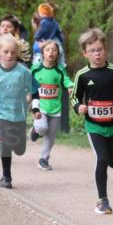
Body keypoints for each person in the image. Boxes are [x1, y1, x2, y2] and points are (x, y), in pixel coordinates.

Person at [72, 28, 113, 214]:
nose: (97, 54)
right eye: (92, 51)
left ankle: (103, 195)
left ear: (105, 49)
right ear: (85, 53)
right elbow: (75, 97)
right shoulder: (82, 75)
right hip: (94, 125)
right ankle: (102, 200)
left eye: (99, 49)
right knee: (102, 159)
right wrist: (78, 107)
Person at [0, 35, 33, 189]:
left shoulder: (23, 72)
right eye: (6, 52)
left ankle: (4, 141)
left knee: (20, 150)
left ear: (17, 53)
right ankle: (6, 176)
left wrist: (30, 96)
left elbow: (32, 89)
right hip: (1, 113)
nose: (9, 55)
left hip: (19, 114)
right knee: (6, 142)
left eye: (13, 52)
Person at [30, 39, 73, 170]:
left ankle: (43, 159)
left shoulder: (60, 70)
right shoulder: (35, 69)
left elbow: (66, 80)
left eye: (54, 50)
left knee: (51, 136)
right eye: (48, 50)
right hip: (40, 106)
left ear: (58, 54)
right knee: (42, 127)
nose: (51, 52)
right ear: (42, 53)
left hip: (55, 108)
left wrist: (70, 86)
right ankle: (35, 130)